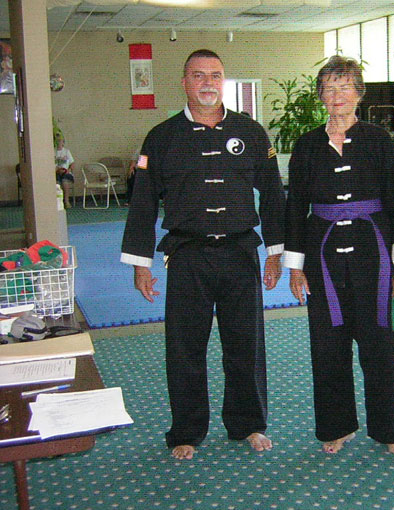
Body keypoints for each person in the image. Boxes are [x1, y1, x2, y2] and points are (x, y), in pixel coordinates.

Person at [120, 49, 286, 460]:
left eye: (214, 75)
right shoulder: (162, 137)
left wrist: (275, 253)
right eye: (198, 75)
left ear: (223, 81)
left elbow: (272, 195)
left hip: (240, 252)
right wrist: (140, 264)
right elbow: (143, 203)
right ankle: (187, 430)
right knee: (185, 348)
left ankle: (248, 424)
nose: (207, 83)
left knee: (245, 346)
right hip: (187, 254)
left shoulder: (250, 132)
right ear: (185, 82)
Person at [283, 56, 394, 457]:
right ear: (320, 96)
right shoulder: (306, 145)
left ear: (358, 93)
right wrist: (295, 267)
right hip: (322, 256)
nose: (336, 95)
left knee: (378, 346)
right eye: (329, 88)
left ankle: (387, 430)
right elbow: (295, 208)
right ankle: (336, 427)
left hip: (374, 254)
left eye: (344, 87)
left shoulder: (378, 139)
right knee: (328, 347)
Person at [54, 134, 75, 208]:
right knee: (56, 183)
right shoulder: (53, 152)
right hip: (57, 172)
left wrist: (68, 170)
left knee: (64, 181)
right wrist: (57, 170)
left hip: (66, 172)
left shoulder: (66, 151)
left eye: (60, 141)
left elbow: (72, 163)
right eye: (57, 141)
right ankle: (58, 202)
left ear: (63, 142)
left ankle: (66, 201)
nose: (59, 142)